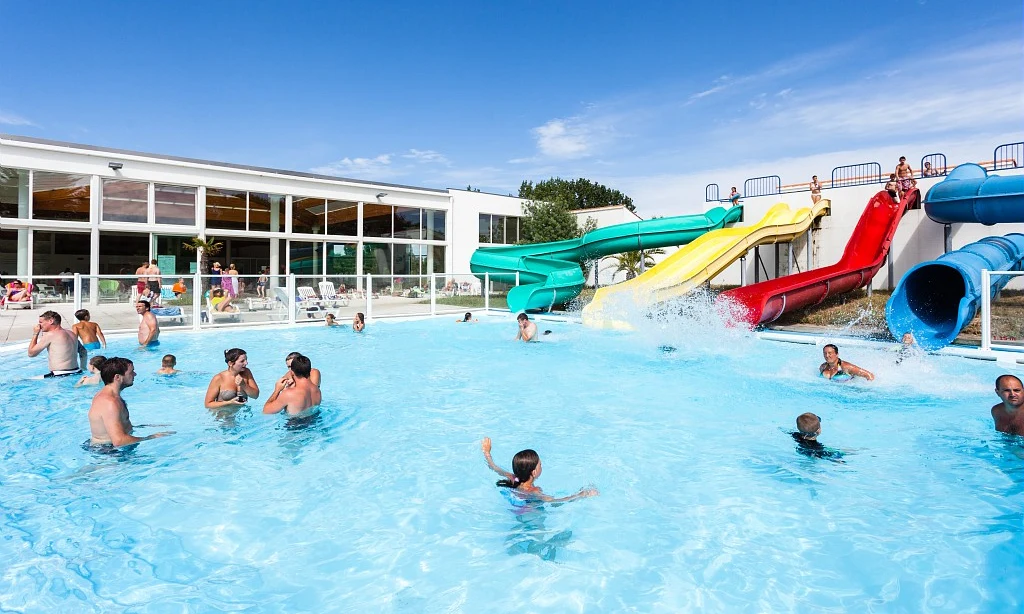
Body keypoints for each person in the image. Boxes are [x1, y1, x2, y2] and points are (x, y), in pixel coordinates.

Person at [88, 357, 174, 448]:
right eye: (131, 372)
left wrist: (147, 426)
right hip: (110, 452)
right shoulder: (110, 403)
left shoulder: (106, 396)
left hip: (105, 448)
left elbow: (113, 424)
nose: (135, 374)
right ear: (117, 377)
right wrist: (151, 437)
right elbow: (119, 441)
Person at [481, 437, 598, 503]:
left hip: (519, 511)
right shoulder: (534, 490)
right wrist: (582, 494)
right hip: (531, 516)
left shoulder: (513, 478)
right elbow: (554, 501)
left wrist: (487, 452)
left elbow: (493, 467)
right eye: (540, 465)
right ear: (534, 472)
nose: (542, 466)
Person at [27, 311, 87, 377]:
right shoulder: (71, 333)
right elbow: (83, 351)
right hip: (77, 371)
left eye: (41, 322)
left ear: (51, 321)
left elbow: (31, 354)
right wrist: (83, 368)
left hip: (60, 374)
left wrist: (35, 333)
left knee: (21, 382)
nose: (39, 325)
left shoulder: (51, 334)